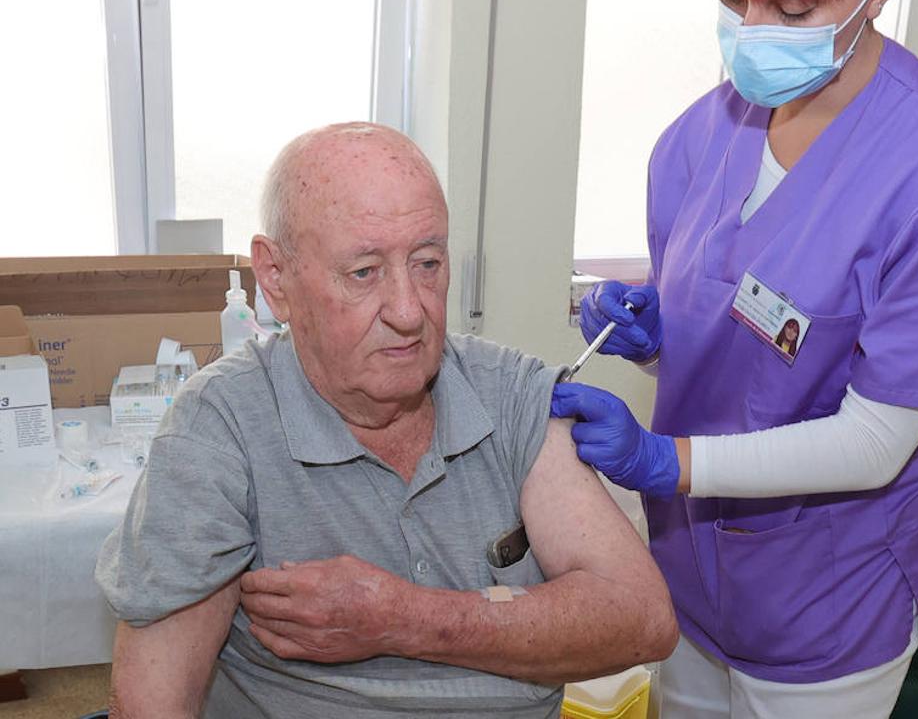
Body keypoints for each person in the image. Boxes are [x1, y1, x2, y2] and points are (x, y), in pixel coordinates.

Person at [551, 0, 918, 716]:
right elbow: (743, 341)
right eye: (735, 0)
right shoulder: (699, 137)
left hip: (833, 594)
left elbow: (876, 440)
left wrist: (665, 463)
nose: (755, 33)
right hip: (691, 569)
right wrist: (656, 333)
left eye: (794, 8)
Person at [95, 123, 677, 719]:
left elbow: (643, 620)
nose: (408, 312)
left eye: (427, 263)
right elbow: (152, 705)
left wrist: (404, 618)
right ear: (275, 280)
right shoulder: (219, 429)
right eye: (364, 273)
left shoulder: (509, 393)